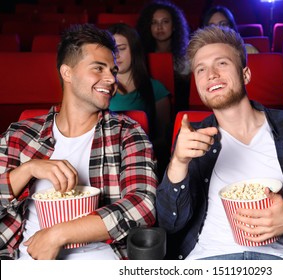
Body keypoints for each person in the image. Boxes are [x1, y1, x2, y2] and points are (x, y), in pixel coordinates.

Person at [156, 26, 283, 260]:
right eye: (200, 69)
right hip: (208, 260)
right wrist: (179, 163)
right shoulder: (192, 138)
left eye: (221, 63)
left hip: (280, 260)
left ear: (246, 74)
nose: (210, 74)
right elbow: (170, 224)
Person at [0, 24, 158, 260]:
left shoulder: (127, 133)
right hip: (27, 261)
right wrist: (28, 169)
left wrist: (58, 234)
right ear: (67, 73)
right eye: (98, 68)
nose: (111, 79)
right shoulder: (21, 135)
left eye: (113, 71)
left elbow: (143, 206)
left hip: (100, 261)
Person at [108, 23, 171, 180]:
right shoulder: (100, 90)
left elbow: (163, 138)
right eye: (112, 49)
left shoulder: (155, 89)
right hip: (108, 162)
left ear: (134, 50)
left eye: (121, 48)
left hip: (145, 162)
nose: (116, 54)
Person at [136, 0, 191, 113]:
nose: (159, 27)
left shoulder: (187, 55)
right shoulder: (141, 55)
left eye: (165, 22)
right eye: (154, 22)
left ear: (174, 25)